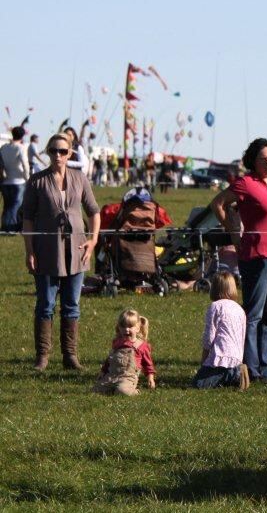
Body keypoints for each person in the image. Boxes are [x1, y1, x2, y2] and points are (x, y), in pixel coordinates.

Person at [210, 138, 267, 384]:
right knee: (254, 314)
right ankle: (250, 368)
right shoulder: (245, 183)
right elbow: (218, 203)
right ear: (253, 161)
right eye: (263, 158)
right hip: (256, 256)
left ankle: (264, 366)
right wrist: (233, 231)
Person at [22, 133, 100, 372]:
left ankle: (70, 356)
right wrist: (30, 250)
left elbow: (94, 212)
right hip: (47, 251)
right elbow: (27, 219)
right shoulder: (37, 181)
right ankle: (42, 357)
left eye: (63, 151)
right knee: (45, 304)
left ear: (70, 154)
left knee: (72, 305)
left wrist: (93, 240)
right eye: (54, 151)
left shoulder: (80, 178)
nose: (58, 155)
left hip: (76, 251)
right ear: (47, 152)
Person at [192, 272, 249, 389]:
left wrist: (204, 358)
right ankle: (235, 375)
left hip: (219, 358)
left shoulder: (215, 306)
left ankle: (234, 375)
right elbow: (242, 336)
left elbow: (209, 336)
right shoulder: (240, 309)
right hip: (236, 358)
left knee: (198, 383)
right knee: (224, 378)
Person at [93, 309, 155, 396]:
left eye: (130, 327)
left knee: (122, 391)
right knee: (96, 391)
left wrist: (150, 378)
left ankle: (135, 392)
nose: (126, 329)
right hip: (111, 376)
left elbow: (148, 364)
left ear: (137, 328)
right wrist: (103, 371)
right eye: (123, 326)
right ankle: (112, 389)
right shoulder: (117, 343)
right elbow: (109, 359)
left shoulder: (141, 345)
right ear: (119, 328)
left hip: (128, 377)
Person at [1, 125, 31, 232]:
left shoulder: (4, 147)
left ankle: (4, 226)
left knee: (7, 206)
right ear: (22, 136)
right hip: (18, 181)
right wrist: (27, 178)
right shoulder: (21, 148)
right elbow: (25, 164)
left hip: (6, 181)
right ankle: (12, 228)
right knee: (16, 206)